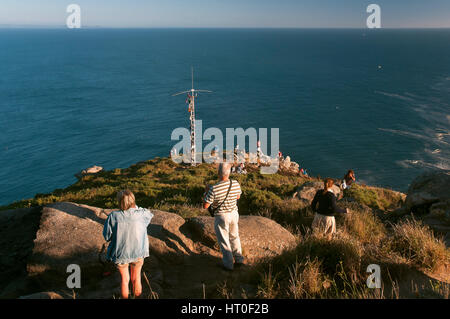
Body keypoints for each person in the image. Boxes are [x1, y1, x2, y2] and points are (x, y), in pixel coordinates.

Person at [103, 190, 154, 299]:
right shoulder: (141, 214)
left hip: (121, 253)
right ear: (133, 200)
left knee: (125, 280)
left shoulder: (114, 216)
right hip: (138, 252)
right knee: (136, 278)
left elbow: (107, 236)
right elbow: (148, 215)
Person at [203, 162, 244, 271]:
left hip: (222, 216)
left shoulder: (214, 188)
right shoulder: (235, 183)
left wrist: (206, 192)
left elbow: (205, 205)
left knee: (224, 240)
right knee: (235, 236)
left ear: (218, 173)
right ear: (229, 172)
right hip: (234, 214)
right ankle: (239, 259)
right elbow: (238, 197)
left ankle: (228, 265)